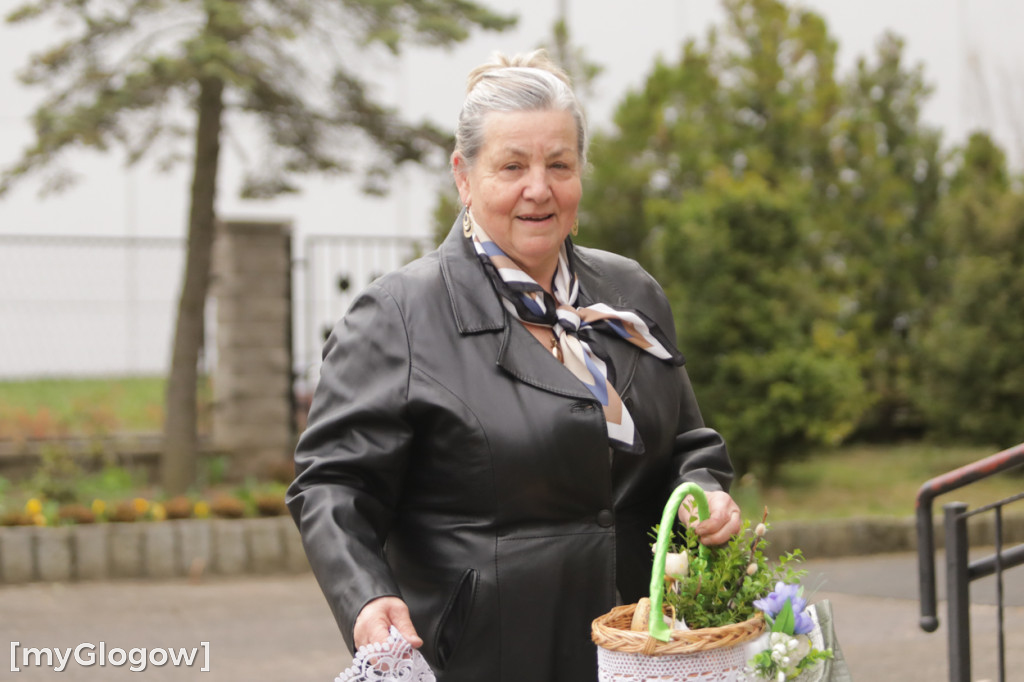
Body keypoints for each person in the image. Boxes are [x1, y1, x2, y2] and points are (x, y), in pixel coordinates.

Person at [286, 49, 741, 682]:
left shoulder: (631, 294)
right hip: (485, 657)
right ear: (463, 176)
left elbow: (690, 443)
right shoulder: (399, 314)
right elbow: (333, 484)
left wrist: (707, 492)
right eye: (512, 166)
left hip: (647, 651)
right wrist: (364, 595)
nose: (539, 188)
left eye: (559, 164)